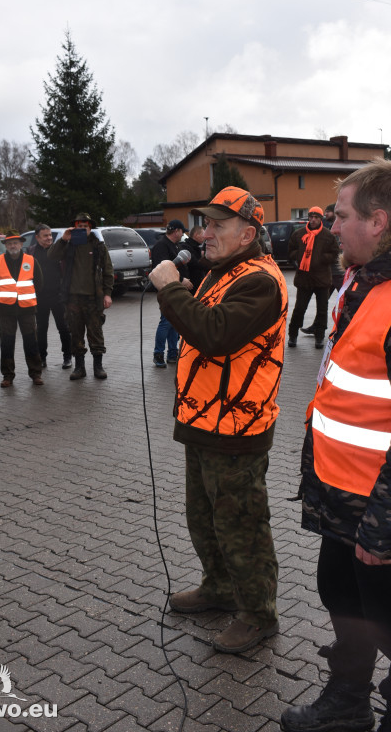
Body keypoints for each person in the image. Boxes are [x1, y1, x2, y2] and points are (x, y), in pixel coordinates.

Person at [149, 186, 288, 653]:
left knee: (241, 525)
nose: (203, 234)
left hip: (237, 428)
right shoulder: (221, 273)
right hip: (204, 421)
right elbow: (206, 321)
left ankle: (257, 613)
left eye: (216, 226)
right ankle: (220, 588)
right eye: (203, 223)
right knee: (204, 517)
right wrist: (186, 295)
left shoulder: (261, 281)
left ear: (248, 233)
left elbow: (214, 334)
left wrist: (170, 289)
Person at [281, 159, 391, 732]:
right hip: (340, 488)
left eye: (341, 216)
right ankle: (348, 699)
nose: (331, 227)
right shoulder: (360, 281)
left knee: (383, 612)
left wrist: (383, 523)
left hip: (378, 504)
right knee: (341, 595)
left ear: (378, 221)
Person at [48, 213, 113, 380]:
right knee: (75, 333)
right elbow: (51, 256)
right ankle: (79, 367)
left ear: (90, 228)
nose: (82, 229)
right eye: (79, 227)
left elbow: (108, 271)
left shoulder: (98, 246)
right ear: (74, 228)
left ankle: (98, 367)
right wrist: (63, 239)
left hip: (93, 298)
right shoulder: (68, 245)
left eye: (85, 227)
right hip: (73, 299)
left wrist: (107, 294)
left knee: (95, 333)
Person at [0, 230, 44, 387]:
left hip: (27, 309)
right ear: (5, 245)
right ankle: (7, 376)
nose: (13, 245)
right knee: (6, 343)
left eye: (15, 243)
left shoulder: (31, 260)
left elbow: (39, 283)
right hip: (6, 310)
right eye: (9, 243)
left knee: (31, 342)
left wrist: (29, 296)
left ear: (21, 244)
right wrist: (0, 300)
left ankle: (36, 374)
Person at [287, 206, 340, 349]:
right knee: (299, 309)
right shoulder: (299, 234)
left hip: (322, 279)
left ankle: (319, 337)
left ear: (321, 219)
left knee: (322, 310)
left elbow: (335, 253)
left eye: (316, 217)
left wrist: (321, 258)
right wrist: (298, 256)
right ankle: (292, 335)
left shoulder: (328, 236)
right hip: (304, 279)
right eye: (311, 217)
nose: (313, 220)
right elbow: (291, 250)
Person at [27, 224, 72, 370]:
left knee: (64, 328)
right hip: (40, 297)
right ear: (37, 237)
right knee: (41, 329)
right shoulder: (31, 252)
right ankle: (42, 358)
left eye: (50, 235)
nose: (49, 238)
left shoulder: (58, 250)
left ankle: (67, 357)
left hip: (58, 295)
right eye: (45, 235)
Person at [152, 219, 193, 368]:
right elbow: (162, 269)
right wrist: (182, 279)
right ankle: (158, 354)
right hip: (167, 290)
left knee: (175, 322)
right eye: (182, 231)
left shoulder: (174, 245)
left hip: (176, 290)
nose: (183, 234)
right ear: (176, 231)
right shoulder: (161, 246)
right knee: (166, 322)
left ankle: (172, 353)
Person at [179, 224, 211, 294]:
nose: (205, 237)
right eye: (203, 234)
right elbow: (196, 263)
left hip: (196, 285)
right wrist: (212, 266)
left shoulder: (195, 247)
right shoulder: (185, 247)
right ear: (196, 235)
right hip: (190, 286)